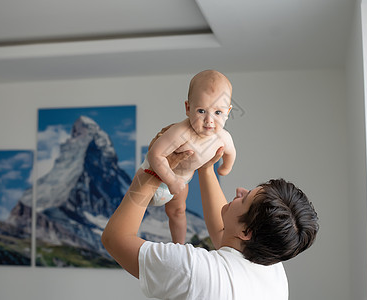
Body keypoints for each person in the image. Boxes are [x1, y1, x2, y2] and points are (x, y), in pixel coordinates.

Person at [102, 140, 319, 300]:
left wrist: (154, 171)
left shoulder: (194, 271)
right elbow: (224, 232)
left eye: (245, 198)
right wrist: (206, 167)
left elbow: (115, 239)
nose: (240, 191)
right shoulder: (272, 270)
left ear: (246, 232)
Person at [142, 69, 236, 244]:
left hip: (182, 181)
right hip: (157, 178)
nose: (209, 120)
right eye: (201, 111)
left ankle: (179, 244)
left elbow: (231, 152)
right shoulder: (180, 132)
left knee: (177, 212)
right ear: (188, 108)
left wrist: (225, 167)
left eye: (218, 113)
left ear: (228, 111)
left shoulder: (223, 136)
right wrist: (170, 180)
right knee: (137, 205)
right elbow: (155, 154)